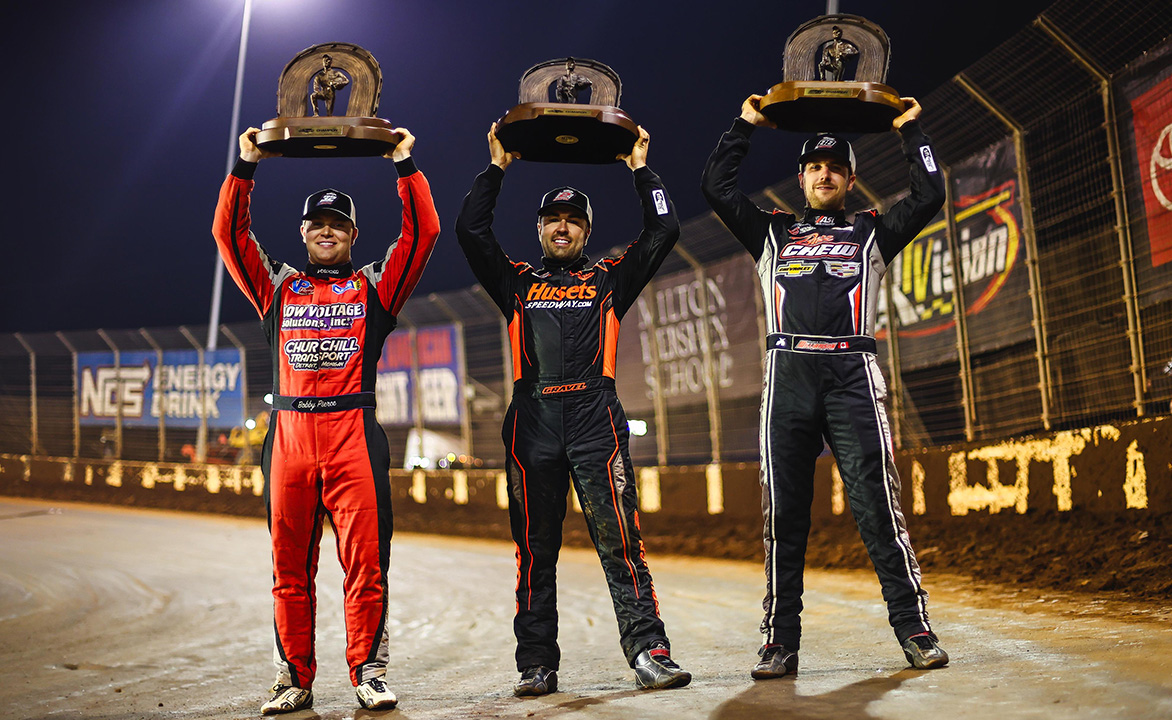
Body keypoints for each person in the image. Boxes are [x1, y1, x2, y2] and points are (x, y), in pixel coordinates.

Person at [701, 95, 949, 676]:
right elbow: (715, 185)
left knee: (878, 508)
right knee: (784, 517)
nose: (824, 173)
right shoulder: (772, 231)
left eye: (835, 167)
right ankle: (779, 641)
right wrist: (745, 124)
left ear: (850, 178)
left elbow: (931, 193)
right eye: (815, 166)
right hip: (787, 374)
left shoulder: (872, 231)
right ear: (802, 176)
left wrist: (911, 129)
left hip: (852, 376)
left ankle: (914, 629)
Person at [455, 124, 691, 696]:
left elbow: (665, 227)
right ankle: (537, 664)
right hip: (531, 421)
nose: (562, 227)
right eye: (552, 219)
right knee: (536, 550)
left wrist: (641, 169)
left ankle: (649, 652)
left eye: (574, 220)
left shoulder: (609, 278)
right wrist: (497, 169)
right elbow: (469, 229)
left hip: (595, 419)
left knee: (620, 542)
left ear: (586, 229)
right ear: (538, 228)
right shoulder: (515, 280)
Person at [212, 127, 440, 713]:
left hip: (353, 437)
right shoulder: (277, 287)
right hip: (288, 438)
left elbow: (424, 233)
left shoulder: (374, 287)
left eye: (338, 223)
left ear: (353, 234)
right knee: (289, 567)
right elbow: (228, 234)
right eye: (318, 223)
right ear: (304, 232)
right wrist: (245, 167)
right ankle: (293, 680)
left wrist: (404, 164)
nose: (327, 230)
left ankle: (369, 672)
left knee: (366, 564)